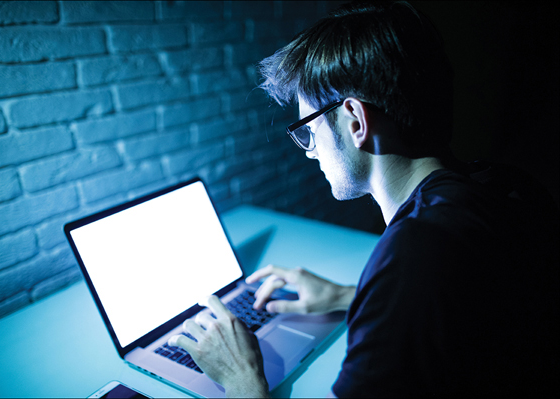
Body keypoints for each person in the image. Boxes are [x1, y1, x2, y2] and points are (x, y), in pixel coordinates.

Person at [169, 1, 559, 396]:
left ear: (355, 120)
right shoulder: (499, 184)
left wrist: (241, 379)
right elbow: (470, 309)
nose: (310, 150)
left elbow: (421, 286)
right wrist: (351, 297)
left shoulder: (414, 258)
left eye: (309, 128)